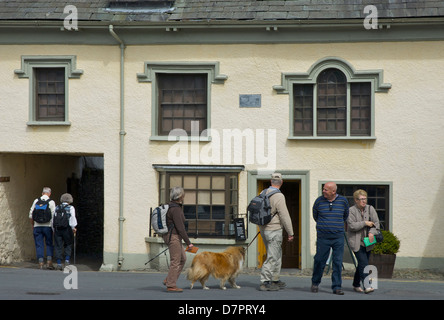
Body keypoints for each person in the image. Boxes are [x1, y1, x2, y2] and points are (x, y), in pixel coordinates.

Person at [311, 182, 349, 295]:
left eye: (326, 189)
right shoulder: (319, 201)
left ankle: (337, 287)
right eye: (323, 189)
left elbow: (345, 216)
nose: (323, 191)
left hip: (338, 237)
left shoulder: (343, 201)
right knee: (319, 260)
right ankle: (315, 283)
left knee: (337, 262)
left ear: (333, 191)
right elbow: (315, 216)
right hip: (323, 237)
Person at [259, 173, 294, 291]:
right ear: (282, 182)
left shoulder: (263, 193)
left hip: (264, 229)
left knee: (276, 253)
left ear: (270, 181)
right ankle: (265, 281)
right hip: (274, 229)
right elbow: (284, 215)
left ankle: (274, 279)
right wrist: (290, 232)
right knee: (273, 256)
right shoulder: (279, 196)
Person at [347, 189, 380, 293]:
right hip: (356, 242)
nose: (364, 201)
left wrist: (371, 233)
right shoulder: (351, 210)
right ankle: (367, 286)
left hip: (368, 242)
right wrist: (365, 223)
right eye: (361, 199)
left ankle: (356, 284)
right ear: (356, 200)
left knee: (362, 264)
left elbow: (376, 223)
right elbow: (352, 226)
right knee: (364, 263)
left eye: (365, 199)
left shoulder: (371, 209)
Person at [163, 186, 193, 292]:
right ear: (180, 196)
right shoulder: (175, 209)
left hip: (173, 236)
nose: (184, 196)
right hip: (174, 237)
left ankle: (170, 279)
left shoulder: (171, 206)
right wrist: (189, 243)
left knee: (182, 259)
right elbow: (180, 228)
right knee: (175, 261)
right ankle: (171, 285)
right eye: (183, 194)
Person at [29, 187, 56, 269]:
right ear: (50, 193)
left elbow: (30, 215)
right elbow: (53, 216)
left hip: (37, 226)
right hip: (47, 227)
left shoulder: (36, 201)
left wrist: (33, 225)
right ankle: (49, 261)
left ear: (42, 193)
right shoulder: (51, 202)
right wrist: (53, 228)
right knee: (49, 243)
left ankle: (40, 262)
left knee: (39, 244)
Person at [53, 193, 78, 270]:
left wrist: (53, 229)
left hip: (57, 229)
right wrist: (73, 227)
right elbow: (72, 217)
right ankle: (67, 260)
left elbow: (53, 218)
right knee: (68, 244)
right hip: (67, 229)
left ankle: (59, 263)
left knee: (58, 246)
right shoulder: (71, 208)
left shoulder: (57, 207)